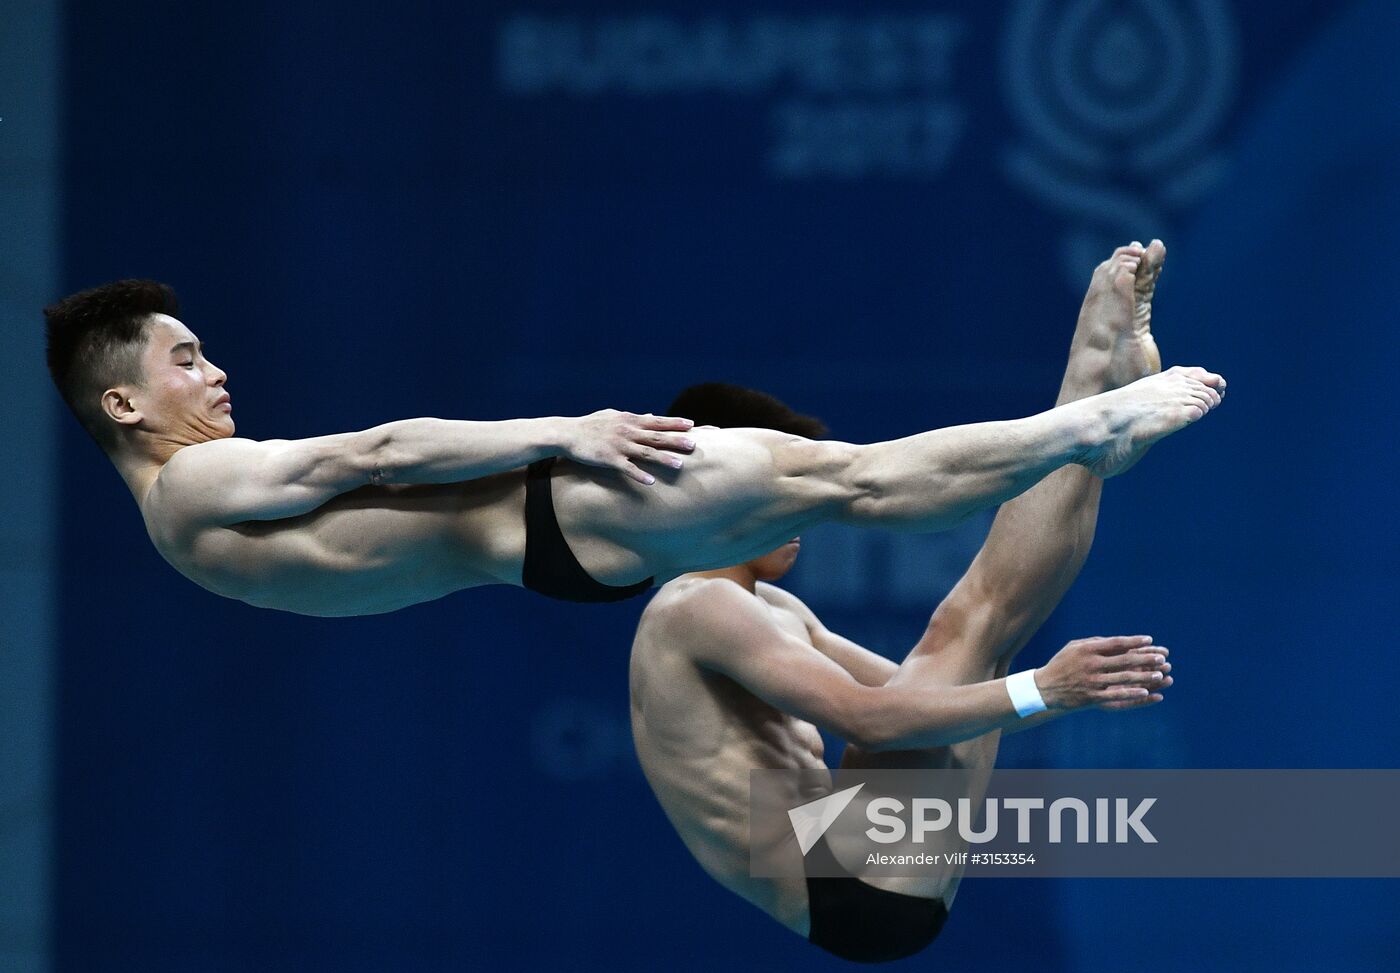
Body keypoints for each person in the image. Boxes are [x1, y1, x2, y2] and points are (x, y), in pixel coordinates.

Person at [42, 242, 1223, 616]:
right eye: (185, 359)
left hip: (554, 554)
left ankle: (1082, 419)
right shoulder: (192, 490)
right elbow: (374, 452)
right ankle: (1088, 422)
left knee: (844, 488)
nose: (219, 370)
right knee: (854, 481)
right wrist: (574, 429)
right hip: (568, 502)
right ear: (124, 405)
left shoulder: (183, 529)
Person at [629, 242, 1182, 962]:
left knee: (978, 643)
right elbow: (871, 719)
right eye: (779, 496)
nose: (798, 517)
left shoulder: (770, 608)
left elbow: (917, 706)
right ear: (717, 499)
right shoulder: (689, 606)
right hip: (847, 880)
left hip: (871, 878)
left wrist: (1040, 692)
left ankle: (1096, 421)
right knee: (969, 628)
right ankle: (1091, 393)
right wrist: (1045, 691)